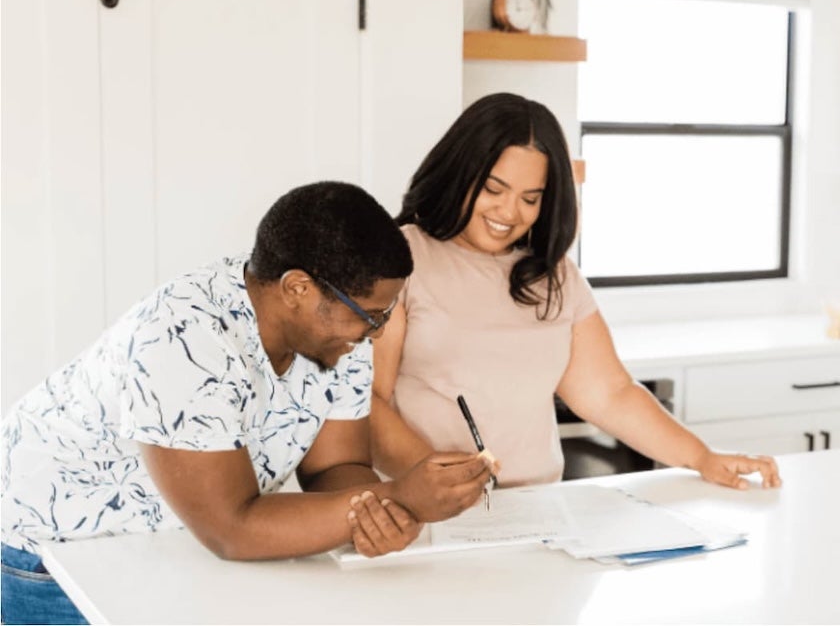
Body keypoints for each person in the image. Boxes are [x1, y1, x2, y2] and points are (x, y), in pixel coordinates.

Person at [1, 181, 492, 625]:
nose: (376, 333)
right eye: (370, 315)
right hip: (55, 553)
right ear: (297, 288)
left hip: (170, 543)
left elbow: (337, 466)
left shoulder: (343, 338)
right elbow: (231, 529)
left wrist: (376, 519)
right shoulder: (183, 338)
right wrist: (399, 496)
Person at [369, 93, 782, 490]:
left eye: (530, 198)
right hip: (428, 510)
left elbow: (610, 395)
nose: (509, 212)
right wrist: (432, 478)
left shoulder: (555, 275)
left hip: (538, 508)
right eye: (493, 190)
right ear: (460, 174)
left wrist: (702, 457)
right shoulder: (402, 260)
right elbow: (371, 401)